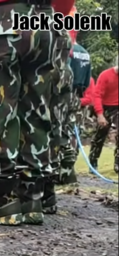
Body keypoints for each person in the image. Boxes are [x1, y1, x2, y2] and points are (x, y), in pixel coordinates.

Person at [0, 0, 74, 226]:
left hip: (3, 23)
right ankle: (32, 201)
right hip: (46, 24)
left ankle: (2, 202)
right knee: (37, 110)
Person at [57, 29, 90, 186]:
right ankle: (69, 170)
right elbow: (88, 80)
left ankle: (64, 172)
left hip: (64, 94)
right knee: (73, 131)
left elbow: (64, 73)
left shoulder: (67, 50)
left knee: (61, 131)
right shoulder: (84, 53)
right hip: (78, 95)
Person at [89, 58, 119, 173]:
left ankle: (117, 163)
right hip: (105, 106)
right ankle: (93, 162)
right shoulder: (106, 75)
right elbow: (97, 95)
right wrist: (100, 115)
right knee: (100, 135)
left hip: (117, 107)